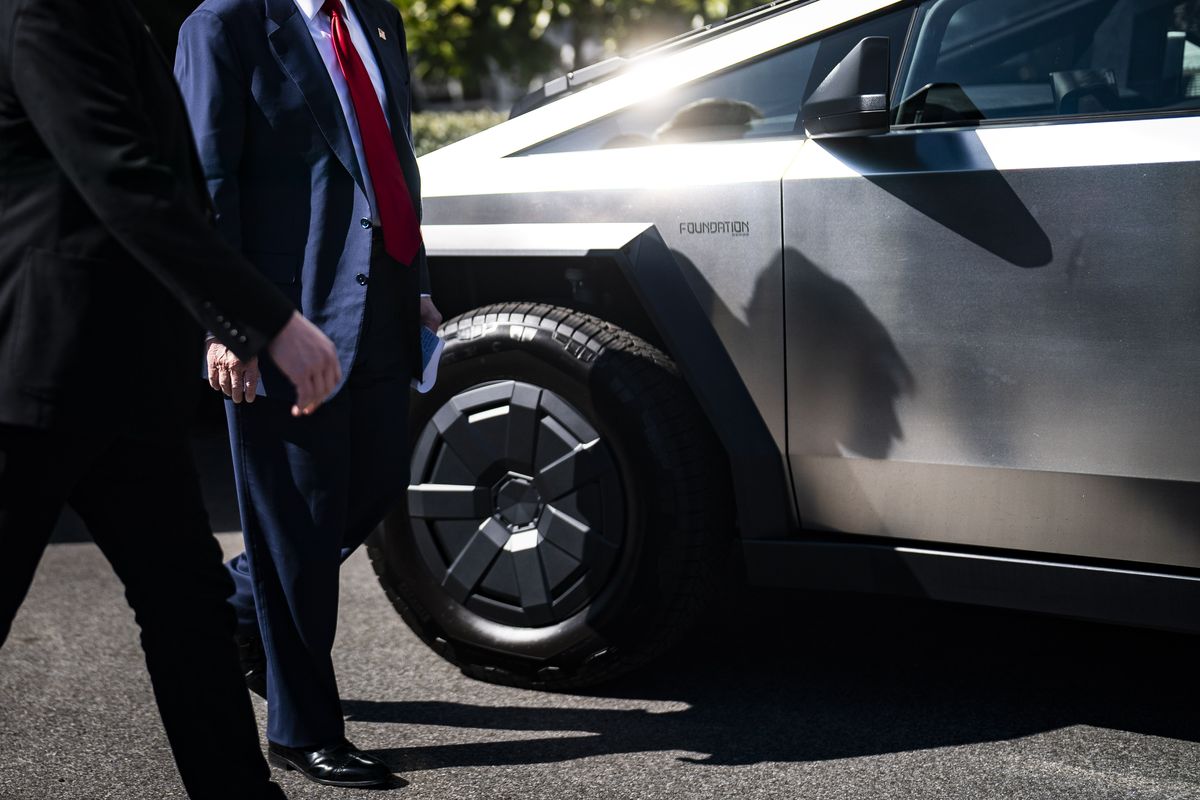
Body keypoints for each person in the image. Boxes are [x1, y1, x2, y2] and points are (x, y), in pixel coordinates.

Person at [0, 0, 343, 797]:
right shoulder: (46, 11)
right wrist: (268, 320)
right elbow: (122, 179)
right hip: (39, 374)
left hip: (121, 381)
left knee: (190, 607)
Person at [175, 0, 441, 787]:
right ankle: (301, 730)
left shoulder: (376, 17)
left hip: (384, 303)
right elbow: (206, 180)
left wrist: (418, 283)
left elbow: (394, 157)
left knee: (376, 484)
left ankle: (225, 607)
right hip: (282, 315)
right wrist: (227, 325)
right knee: (297, 527)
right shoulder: (222, 24)